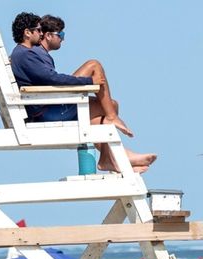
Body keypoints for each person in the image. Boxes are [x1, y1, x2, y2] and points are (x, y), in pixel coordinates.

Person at [9, 12, 156, 174]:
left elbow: (47, 79)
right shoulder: (26, 55)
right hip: (46, 111)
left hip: (46, 105)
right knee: (109, 102)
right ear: (27, 33)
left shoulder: (25, 54)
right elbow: (51, 79)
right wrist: (88, 83)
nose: (41, 33)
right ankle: (114, 154)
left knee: (106, 107)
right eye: (38, 30)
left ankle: (113, 157)